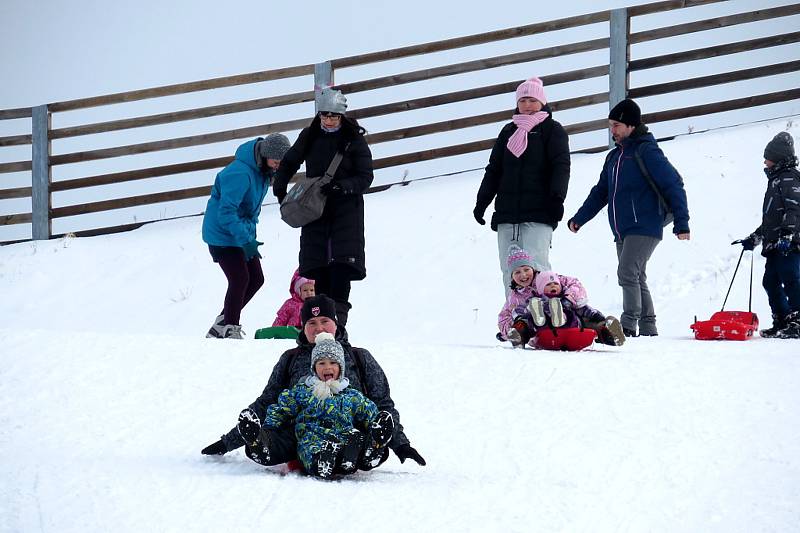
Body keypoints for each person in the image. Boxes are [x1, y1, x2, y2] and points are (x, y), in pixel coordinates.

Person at [201, 294, 426, 469]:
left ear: (336, 323)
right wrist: (227, 442)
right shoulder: (291, 358)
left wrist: (401, 444)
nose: (319, 328)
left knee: (368, 440)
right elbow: (267, 402)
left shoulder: (360, 357)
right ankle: (262, 447)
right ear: (303, 327)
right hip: (302, 435)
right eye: (312, 323)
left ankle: (365, 452)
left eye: (325, 321)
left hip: (349, 433)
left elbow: (382, 405)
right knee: (272, 438)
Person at [567, 98, 690, 338]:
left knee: (626, 272)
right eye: (610, 125)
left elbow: (673, 184)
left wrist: (682, 222)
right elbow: (601, 191)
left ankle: (627, 325)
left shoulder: (646, 151)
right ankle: (648, 326)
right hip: (622, 229)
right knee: (636, 275)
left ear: (631, 126)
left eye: (616, 125)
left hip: (645, 225)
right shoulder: (614, 158)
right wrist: (580, 218)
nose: (612, 130)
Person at [272, 87, 373, 327]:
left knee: (341, 271)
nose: (328, 120)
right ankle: (317, 329)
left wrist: (341, 187)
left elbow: (365, 176)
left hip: (346, 214)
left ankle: (338, 327)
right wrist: (280, 188)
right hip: (314, 212)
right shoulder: (310, 135)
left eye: (333, 116)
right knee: (316, 273)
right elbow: (289, 162)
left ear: (342, 116)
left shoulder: (354, 140)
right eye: (324, 115)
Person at [236, 331, 396, 479]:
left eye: (333, 362)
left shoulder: (351, 394)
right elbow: (281, 409)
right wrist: (269, 429)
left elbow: (368, 412)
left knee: (357, 439)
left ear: (341, 368)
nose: (327, 367)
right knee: (310, 451)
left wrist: (377, 423)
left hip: (344, 437)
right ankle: (261, 443)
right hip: (312, 437)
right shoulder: (304, 391)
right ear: (314, 368)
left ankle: (372, 450)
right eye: (321, 363)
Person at [473, 77, 571, 298]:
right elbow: (494, 170)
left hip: (538, 214)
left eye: (532, 100)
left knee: (537, 269)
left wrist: (557, 198)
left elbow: (561, 166)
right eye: (523, 100)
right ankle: (517, 323)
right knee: (511, 272)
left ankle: (546, 322)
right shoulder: (508, 132)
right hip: (508, 216)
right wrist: (483, 202)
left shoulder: (552, 130)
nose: (527, 105)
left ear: (542, 102)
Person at [202, 133, 292, 339]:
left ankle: (222, 322)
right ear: (265, 155)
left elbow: (249, 211)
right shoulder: (240, 173)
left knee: (256, 279)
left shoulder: (263, 172)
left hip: (241, 235)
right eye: (276, 162)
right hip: (222, 236)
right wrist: (245, 240)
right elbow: (226, 212)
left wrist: (248, 237)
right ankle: (230, 328)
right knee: (240, 279)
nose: (278, 166)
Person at [736, 131, 800, 338]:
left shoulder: (789, 178)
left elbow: (794, 208)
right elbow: (771, 220)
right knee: (770, 281)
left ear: (779, 158)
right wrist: (755, 237)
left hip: (788, 243)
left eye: (768, 157)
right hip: (775, 244)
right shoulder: (775, 181)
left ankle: (798, 319)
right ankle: (783, 318)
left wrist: (787, 234)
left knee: (791, 278)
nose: (765, 161)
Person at [499, 246, 624, 347]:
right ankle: (519, 334)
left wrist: (568, 300)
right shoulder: (515, 298)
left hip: (566, 317)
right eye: (517, 272)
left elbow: (574, 284)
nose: (523, 275)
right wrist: (509, 331)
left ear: (532, 268)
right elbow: (504, 317)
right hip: (540, 332)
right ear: (511, 276)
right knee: (524, 320)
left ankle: (606, 331)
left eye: (526, 269)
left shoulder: (548, 278)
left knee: (581, 313)